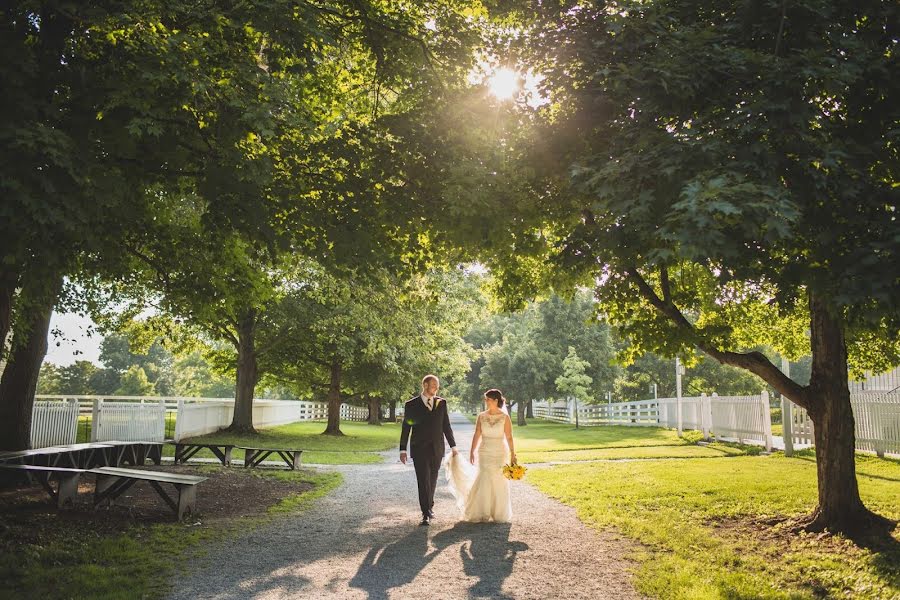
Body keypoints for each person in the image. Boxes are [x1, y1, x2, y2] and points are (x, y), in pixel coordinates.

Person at [445, 388, 515, 523]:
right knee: (484, 477)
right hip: (484, 451)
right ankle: (482, 511)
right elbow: (477, 433)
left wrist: (513, 454)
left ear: (495, 400)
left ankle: (498, 512)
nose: (486, 401)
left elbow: (509, 437)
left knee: (499, 479)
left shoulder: (505, 417)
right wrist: (472, 450)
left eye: (488, 399)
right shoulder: (481, 416)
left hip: (500, 451)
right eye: (485, 399)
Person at [399, 374, 458, 526]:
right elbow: (406, 427)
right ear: (425, 385)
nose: (436, 389)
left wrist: (453, 446)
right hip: (419, 449)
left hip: (437, 448)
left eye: (437, 386)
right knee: (423, 480)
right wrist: (402, 449)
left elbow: (446, 426)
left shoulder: (442, 403)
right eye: (433, 385)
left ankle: (429, 506)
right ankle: (425, 513)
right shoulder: (411, 404)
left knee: (432, 479)